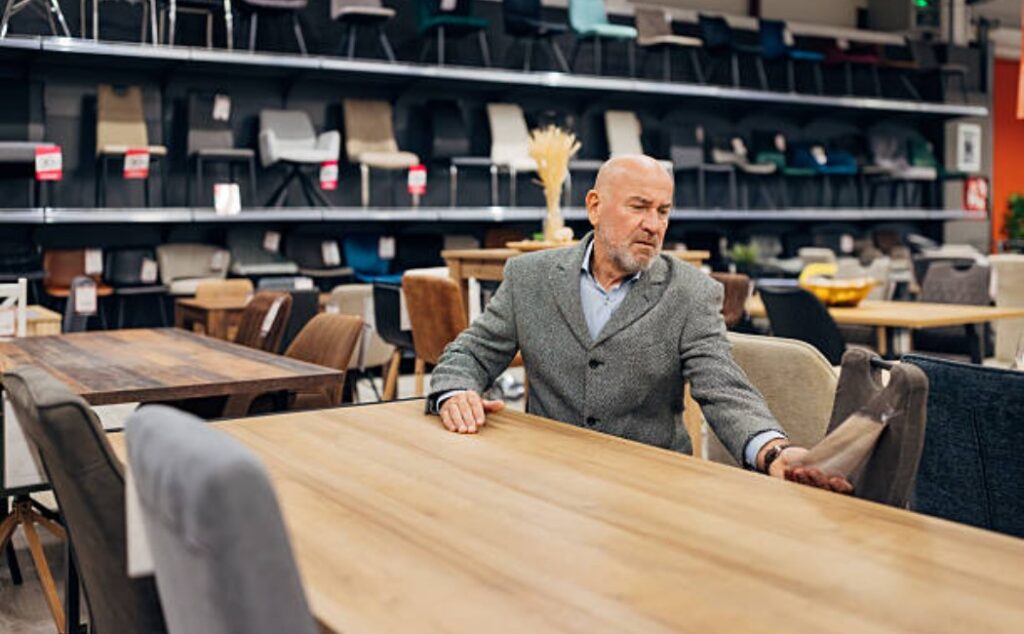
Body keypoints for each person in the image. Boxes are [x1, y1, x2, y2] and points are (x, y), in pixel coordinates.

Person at [428, 155, 850, 491]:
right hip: (546, 479)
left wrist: (774, 452)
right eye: (639, 207)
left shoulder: (691, 293)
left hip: (653, 487)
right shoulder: (530, 277)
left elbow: (724, 388)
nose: (653, 224)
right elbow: (471, 353)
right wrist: (455, 390)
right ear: (594, 206)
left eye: (663, 211)